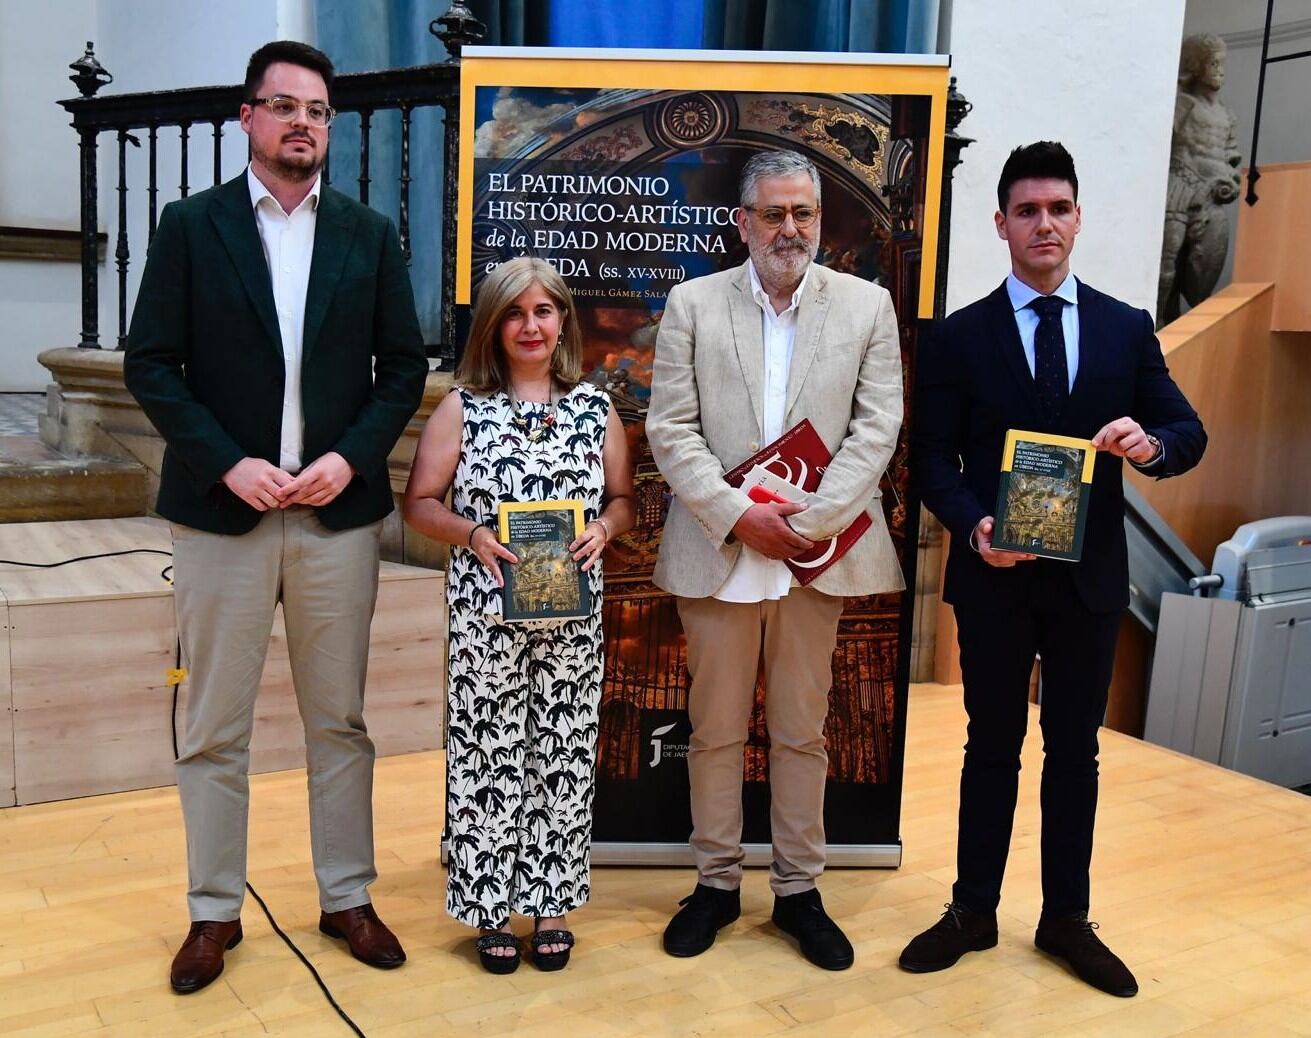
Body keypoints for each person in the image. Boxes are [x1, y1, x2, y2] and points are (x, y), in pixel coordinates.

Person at [124, 41, 428, 994]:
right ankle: (213, 910)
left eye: (319, 111)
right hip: (226, 515)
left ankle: (346, 894)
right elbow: (150, 364)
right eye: (285, 106)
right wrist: (228, 463)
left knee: (337, 720)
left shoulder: (367, 233)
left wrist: (348, 458)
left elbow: (404, 371)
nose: (304, 123)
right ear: (247, 118)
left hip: (336, 517)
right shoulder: (189, 225)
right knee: (215, 725)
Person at [904, 141, 1206, 997]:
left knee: (1074, 752)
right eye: (1027, 210)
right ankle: (971, 910)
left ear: (1077, 218)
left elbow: (1185, 433)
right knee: (988, 748)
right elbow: (931, 464)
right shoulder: (959, 337)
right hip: (995, 577)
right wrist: (973, 528)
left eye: (1058, 208)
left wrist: (1148, 445)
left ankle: (1065, 919)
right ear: (999, 224)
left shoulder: (1123, 327)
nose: (1044, 223)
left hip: (1087, 584)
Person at [646, 150, 905, 971]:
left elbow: (877, 428)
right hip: (719, 553)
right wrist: (736, 517)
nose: (788, 229)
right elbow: (669, 427)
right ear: (742, 222)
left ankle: (798, 890)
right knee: (714, 732)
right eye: (772, 214)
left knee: (802, 733)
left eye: (803, 214)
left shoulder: (867, 307)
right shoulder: (691, 303)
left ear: (819, 222)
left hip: (817, 557)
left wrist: (814, 521)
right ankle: (715, 884)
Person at [402, 257, 634, 974]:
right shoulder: (462, 408)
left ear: (562, 319)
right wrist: (471, 535)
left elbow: (624, 499)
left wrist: (605, 528)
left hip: (571, 618)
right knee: (488, 756)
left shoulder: (596, 409)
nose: (529, 326)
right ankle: (490, 909)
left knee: (560, 757)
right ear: (493, 325)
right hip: (485, 617)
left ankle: (551, 904)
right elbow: (418, 504)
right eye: (513, 312)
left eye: (542, 311)